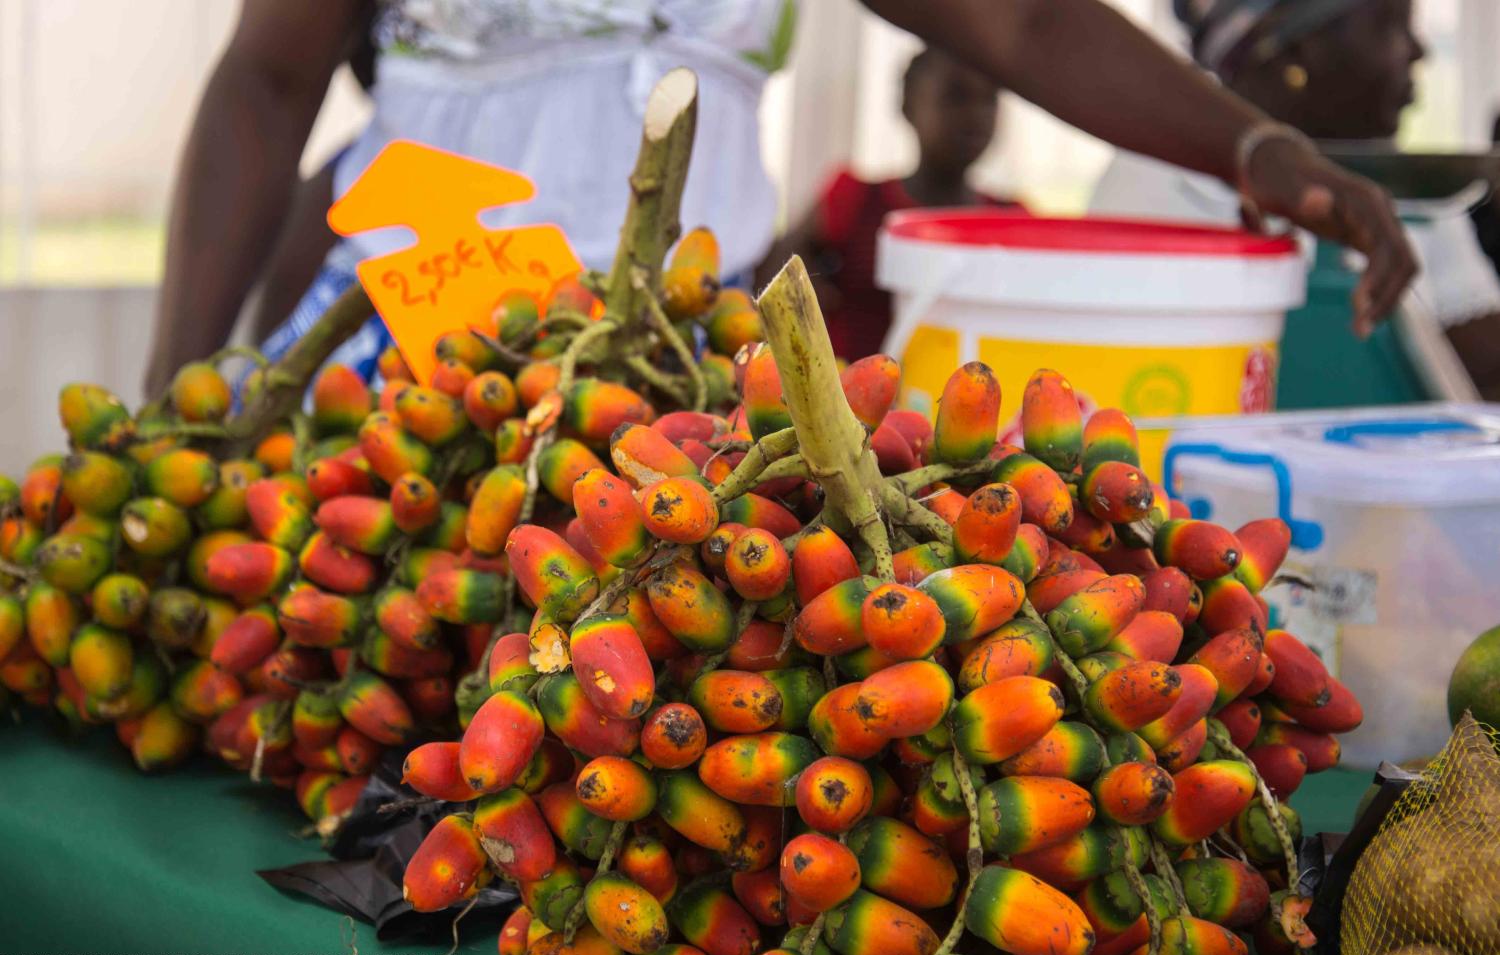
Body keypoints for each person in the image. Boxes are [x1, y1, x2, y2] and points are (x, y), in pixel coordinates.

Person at [143, 0, 1417, 396]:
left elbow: (1027, 24)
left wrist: (1254, 147)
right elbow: (265, 84)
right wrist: (172, 394)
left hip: (682, 374)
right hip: (405, 356)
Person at [1090, 0, 1500, 398]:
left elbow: (1482, 358)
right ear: (1298, 48)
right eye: (1390, 25)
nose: (1418, 50)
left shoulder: (1408, 190)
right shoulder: (1156, 183)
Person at [760, 48, 1024, 361]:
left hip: (973, 402)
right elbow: (773, 271)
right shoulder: (854, 198)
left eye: (990, 99)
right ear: (908, 106)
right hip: (851, 401)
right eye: (956, 96)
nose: (975, 114)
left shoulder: (1014, 221)